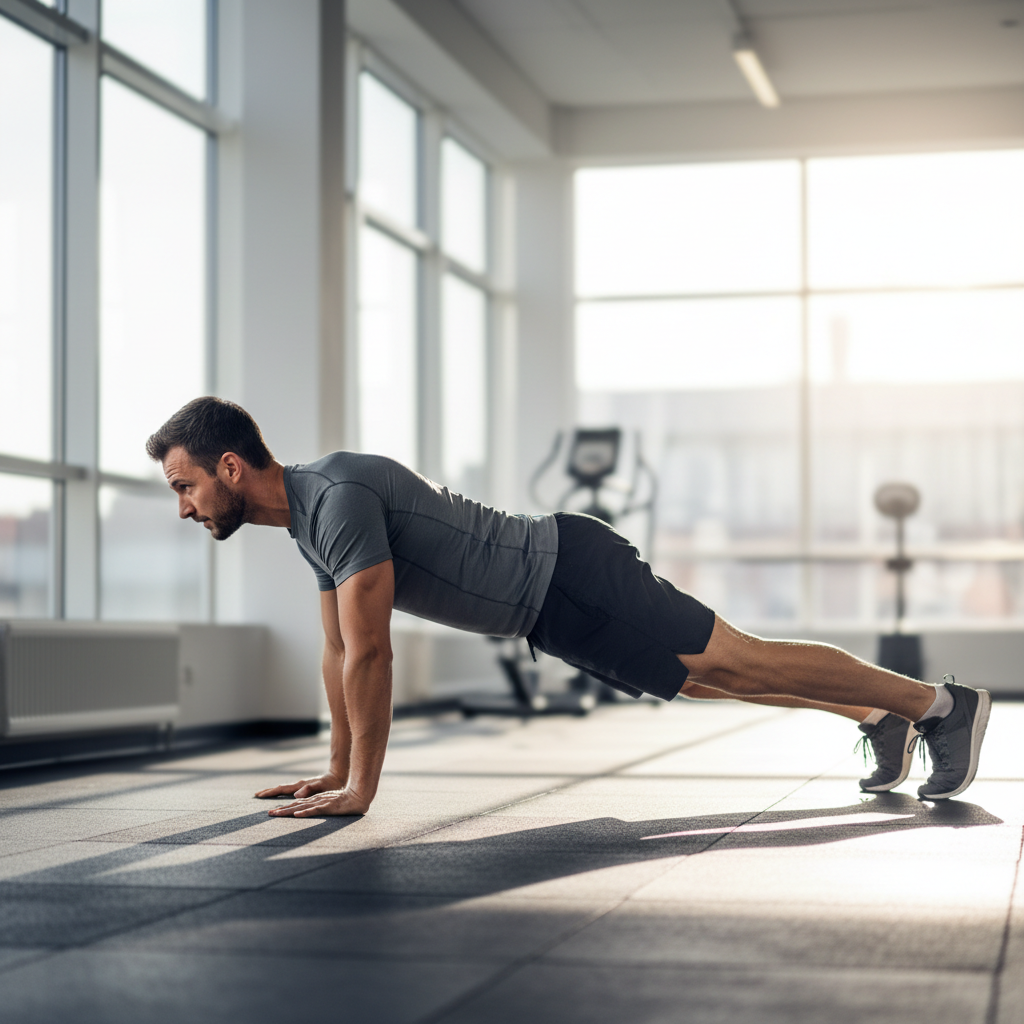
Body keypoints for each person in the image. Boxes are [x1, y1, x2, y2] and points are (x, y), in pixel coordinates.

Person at [146, 397, 992, 817]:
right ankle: (876, 713)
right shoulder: (306, 525)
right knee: (701, 683)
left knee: (737, 657)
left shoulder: (336, 496)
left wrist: (362, 788)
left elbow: (371, 653)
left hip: (566, 569)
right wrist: (335, 769)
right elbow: (337, 654)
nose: (183, 506)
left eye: (184, 486)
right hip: (546, 611)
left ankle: (941, 706)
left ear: (227, 467)